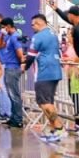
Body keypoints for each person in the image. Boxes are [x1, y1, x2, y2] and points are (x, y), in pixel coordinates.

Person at [23, 14, 65, 143]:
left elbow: (30, 57)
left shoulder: (38, 37)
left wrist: (24, 68)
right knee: (46, 102)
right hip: (55, 72)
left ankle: (59, 128)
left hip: (44, 72)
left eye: (33, 25)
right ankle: (54, 131)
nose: (32, 27)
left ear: (39, 23)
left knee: (45, 103)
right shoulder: (53, 35)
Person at [0, 18, 25, 128]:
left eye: (3, 27)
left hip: (13, 68)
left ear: (8, 26)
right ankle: (13, 117)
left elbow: (19, 53)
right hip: (8, 67)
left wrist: (20, 64)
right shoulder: (8, 36)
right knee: (10, 93)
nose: (2, 29)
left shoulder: (15, 37)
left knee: (14, 95)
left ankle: (18, 119)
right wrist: (2, 35)